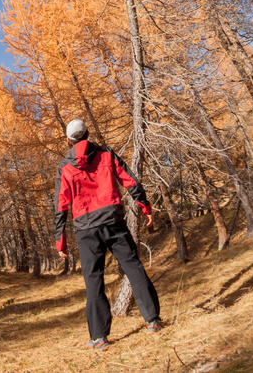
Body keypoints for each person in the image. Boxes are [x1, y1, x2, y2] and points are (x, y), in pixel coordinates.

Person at [54, 119, 161, 350]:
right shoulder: (105, 153)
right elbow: (130, 181)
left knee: (94, 281)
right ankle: (153, 321)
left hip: (85, 230)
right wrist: (145, 207)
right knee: (133, 267)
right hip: (113, 222)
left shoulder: (64, 167)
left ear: (69, 140)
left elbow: (61, 206)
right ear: (88, 134)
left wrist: (60, 241)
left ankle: (99, 337)